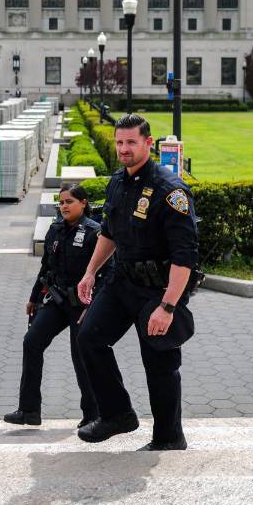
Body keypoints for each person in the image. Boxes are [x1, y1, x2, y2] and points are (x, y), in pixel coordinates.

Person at [76, 114, 200, 451]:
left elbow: (185, 256)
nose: (124, 149)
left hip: (158, 291)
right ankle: (118, 415)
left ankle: (168, 438)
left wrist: (168, 307)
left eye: (131, 142)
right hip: (122, 282)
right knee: (88, 338)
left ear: (148, 143)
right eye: (119, 142)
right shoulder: (118, 182)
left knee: (160, 365)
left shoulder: (170, 191)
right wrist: (90, 272)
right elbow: (109, 233)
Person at [5, 184, 105, 428]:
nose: (64, 206)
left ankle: (93, 415)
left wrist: (93, 308)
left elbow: (106, 274)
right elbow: (46, 268)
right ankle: (29, 411)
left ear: (83, 203)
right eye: (61, 203)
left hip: (83, 306)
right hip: (57, 301)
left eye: (69, 201)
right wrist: (33, 299)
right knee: (31, 342)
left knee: (81, 356)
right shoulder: (56, 229)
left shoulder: (94, 233)